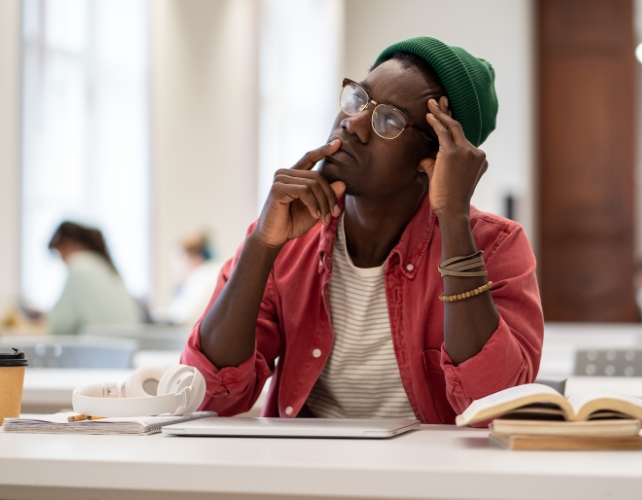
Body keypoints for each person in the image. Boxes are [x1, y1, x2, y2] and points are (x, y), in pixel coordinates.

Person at [181, 37, 544, 423]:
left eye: (388, 120)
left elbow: (493, 405)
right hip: (303, 474)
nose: (352, 124)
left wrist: (453, 220)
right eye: (357, 100)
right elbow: (207, 396)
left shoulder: (495, 245)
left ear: (436, 159)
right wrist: (261, 245)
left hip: (432, 480)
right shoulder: (288, 236)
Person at [47, 221, 142, 335]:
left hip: (99, 349)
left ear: (68, 244)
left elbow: (59, 325)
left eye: (58, 251)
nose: (60, 259)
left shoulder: (78, 267)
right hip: (125, 348)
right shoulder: (106, 266)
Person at [162, 232, 222, 326]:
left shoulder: (201, 276)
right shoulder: (214, 271)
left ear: (195, 258)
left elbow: (184, 318)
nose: (176, 269)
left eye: (178, 260)